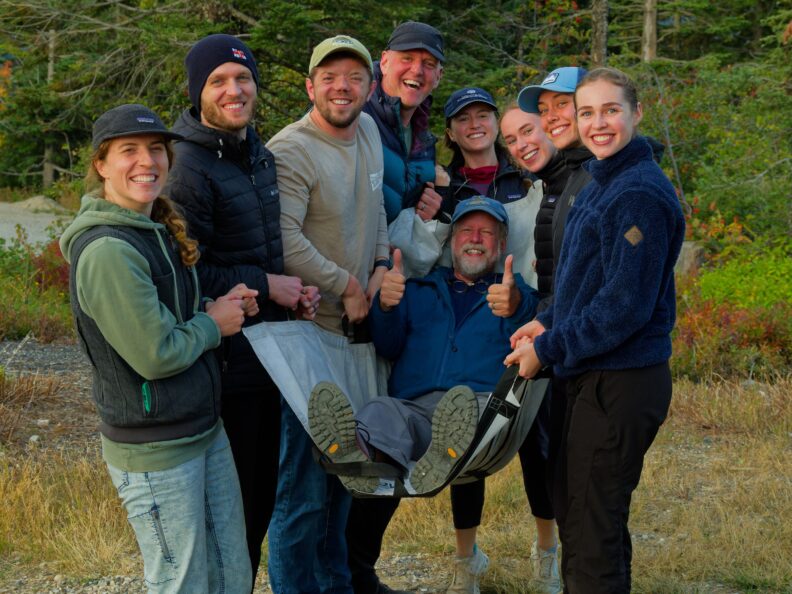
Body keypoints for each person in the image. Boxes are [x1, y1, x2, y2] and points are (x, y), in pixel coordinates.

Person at [60, 104, 255, 593]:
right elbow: (155, 354)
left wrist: (216, 305)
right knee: (182, 583)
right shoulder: (109, 251)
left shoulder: (154, 230)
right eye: (128, 151)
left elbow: (170, 316)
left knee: (232, 576)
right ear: (101, 165)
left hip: (202, 430)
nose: (146, 161)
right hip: (157, 450)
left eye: (155, 150)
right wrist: (214, 326)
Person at [505, 67, 685, 593]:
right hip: (591, 374)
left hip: (622, 380)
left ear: (637, 113)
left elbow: (623, 306)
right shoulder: (603, 180)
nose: (598, 123)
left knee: (590, 527)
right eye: (588, 113)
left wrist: (549, 347)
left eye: (611, 110)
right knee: (586, 517)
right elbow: (587, 283)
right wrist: (548, 319)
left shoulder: (638, 194)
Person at [310, 197, 539, 594]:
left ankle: (433, 450)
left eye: (487, 233)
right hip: (411, 409)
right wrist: (385, 304)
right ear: (451, 242)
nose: (475, 239)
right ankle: (360, 450)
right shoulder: (420, 289)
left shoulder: (513, 294)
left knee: (462, 407)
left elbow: (537, 328)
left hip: (479, 410)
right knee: (381, 413)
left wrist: (518, 305)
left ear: (501, 246)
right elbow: (388, 344)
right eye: (467, 231)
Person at [165, 34, 320, 583]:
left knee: (254, 511)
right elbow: (185, 274)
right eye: (219, 81)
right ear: (197, 92)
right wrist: (266, 284)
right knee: (226, 522)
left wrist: (290, 295)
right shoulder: (187, 166)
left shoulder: (258, 154)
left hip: (266, 358)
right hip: (224, 369)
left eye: (243, 78)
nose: (235, 90)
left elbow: (259, 251)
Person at [265, 35, 389, 594]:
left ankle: (335, 586)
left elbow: (378, 206)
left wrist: (382, 264)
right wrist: (345, 284)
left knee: (346, 478)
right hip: (308, 337)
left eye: (355, 77)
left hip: (354, 335)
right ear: (310, 86)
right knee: (304, 493)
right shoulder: (291, 149)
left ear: (370, 86)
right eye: (331, 77)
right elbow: (283, 240)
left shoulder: (368, 131)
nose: (344, 87)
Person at [363, 21, 445, 224]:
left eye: (429, 64)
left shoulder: (425, 142)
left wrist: (430, 209)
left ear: (438, 77)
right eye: (406, 58)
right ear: (384, 62)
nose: (417, 70)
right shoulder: (353, 114)